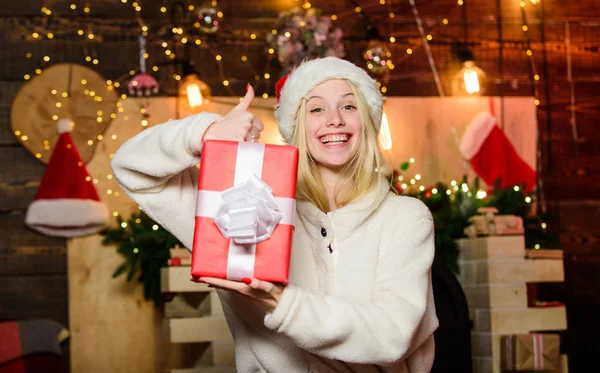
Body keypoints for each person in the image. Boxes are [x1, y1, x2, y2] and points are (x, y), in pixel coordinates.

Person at [111, 57, 438, 373]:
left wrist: (283, 303)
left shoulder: (405, 218)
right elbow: (132, 168)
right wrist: (205, 133)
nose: (334, 119)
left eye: (349, 106)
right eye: (317, 108)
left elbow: (393, 334)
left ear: (367, 121)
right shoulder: (244, 203)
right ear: (296, 126)